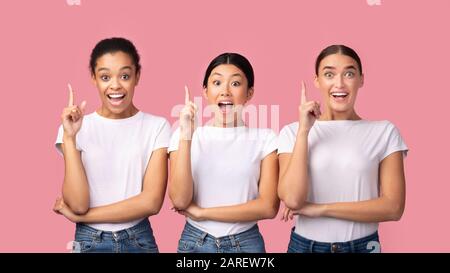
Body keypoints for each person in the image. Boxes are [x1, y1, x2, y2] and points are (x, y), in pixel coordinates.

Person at [278, 45, 408, 253]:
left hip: (363, 247)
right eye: (329, 74)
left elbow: (394, 208)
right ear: (317, 81)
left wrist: (321, 209)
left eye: (349, 73)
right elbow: (292, 199)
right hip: (305, 247)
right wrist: (304, 131)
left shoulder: (384, 132)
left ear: (361, 79)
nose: (339, 83)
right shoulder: (292, 132)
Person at [53, 37, 170, 253]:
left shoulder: (157, 126)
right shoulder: (75, 127)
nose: (115, 85)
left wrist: (83, 216)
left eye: (125, 76)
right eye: (105, 77)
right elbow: (78, 204)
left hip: (138, 239)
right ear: (94, 78)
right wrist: (70, 139)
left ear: (137, 76)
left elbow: (151, 203)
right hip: (88, 240)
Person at [169, 53, 279, 253]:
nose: (225, 91)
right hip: (195, 242)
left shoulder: (266, 139)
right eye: (217, 82)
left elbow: (268, 207)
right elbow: (179, 200)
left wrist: (203, 213)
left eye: (235, 83)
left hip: (246, 244)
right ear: (205, 91)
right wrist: (186, 136)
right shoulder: (185, 135)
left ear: (249, 92)